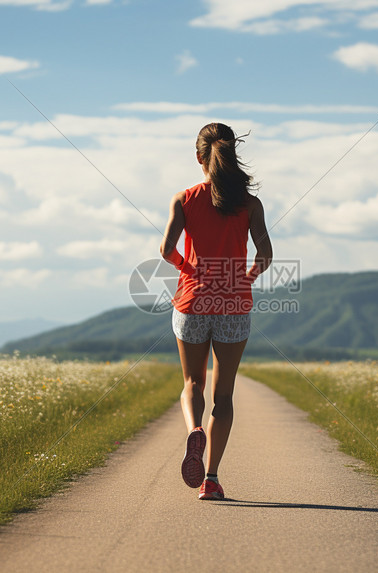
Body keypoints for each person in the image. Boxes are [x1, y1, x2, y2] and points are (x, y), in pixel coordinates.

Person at [160, 122, 273, 501]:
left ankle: (195, 429)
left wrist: (187, 268)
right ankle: (211, 478)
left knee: (193, 384)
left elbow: (166, 250)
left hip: (192, 301)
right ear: (232, 155)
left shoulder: (185, 199)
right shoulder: (250, 205)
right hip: (234, 304)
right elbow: (265, 255)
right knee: (223, 397)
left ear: (199, 157)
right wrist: (246, 277)